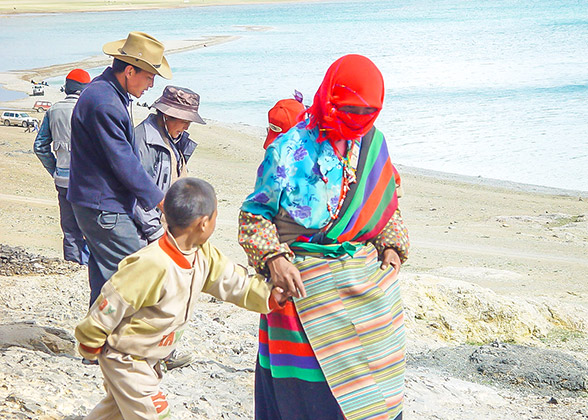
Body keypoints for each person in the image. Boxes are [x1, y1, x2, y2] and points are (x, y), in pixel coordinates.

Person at [239, 54, 410, 420]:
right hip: (301, 295)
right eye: (348, 110)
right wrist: (275, 260)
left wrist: (393, 248)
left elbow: (385, 205)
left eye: (368, 113)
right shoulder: (287, 150)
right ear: (329, 97)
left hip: (365, 293)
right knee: (308, 399)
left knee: (376, 394)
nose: (357, 121)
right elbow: (254, 216)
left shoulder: (373, 145)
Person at [75, 177, 286, 420]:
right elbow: (113, 300)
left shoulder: (203, 256)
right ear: (203, 223)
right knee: (155, 412)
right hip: (126, 357)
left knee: (115, 413)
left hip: (149, 358)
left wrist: (267, 295)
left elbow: (232, 283)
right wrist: (90, 339)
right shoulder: (153, 263)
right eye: (215, 215)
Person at [68, 32, 171, 306]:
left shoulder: (108, 92)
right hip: (105, 207)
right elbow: (123, 160)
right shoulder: (105, 102)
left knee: (106, 281)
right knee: (136, 275)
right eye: (149, 77)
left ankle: (95, 345)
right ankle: (134, 346)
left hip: (96, 203)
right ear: (129, 70)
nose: (151, 85)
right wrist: (161, 201)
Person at [133, 85, 204, 245]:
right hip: (147, 235)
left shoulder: (172, 139)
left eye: (189, 122)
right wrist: (156, 234)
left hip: (169, 230)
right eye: (184, 121)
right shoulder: (145, 142)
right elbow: (138, 195)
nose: (186, 127)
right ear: (166, 115)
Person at [33, 68, 91, 265]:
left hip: (63, 180)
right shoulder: (90, 109)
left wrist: (55, 170)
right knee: (91, 228)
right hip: (88, 182)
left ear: (67, 88)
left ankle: (72, 267)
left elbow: (40, 147)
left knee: (70, 229)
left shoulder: (53, 110)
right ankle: (89, 269)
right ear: (85, 89)